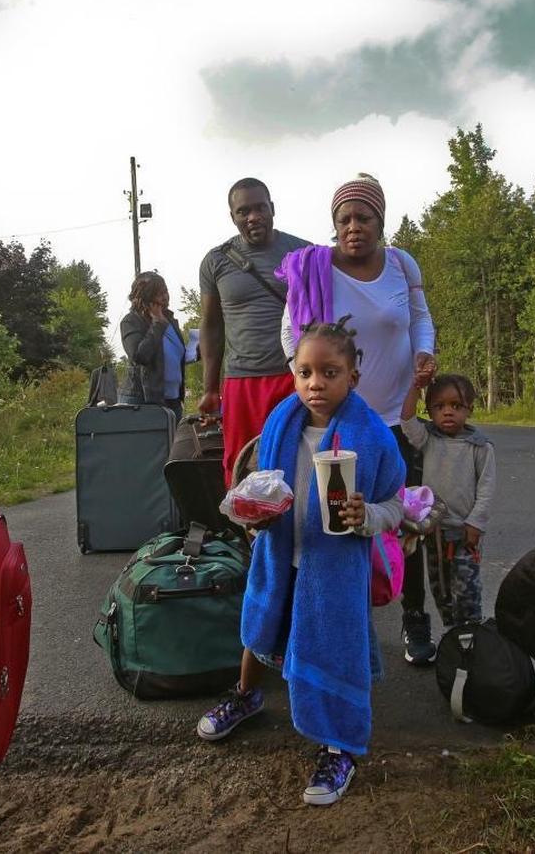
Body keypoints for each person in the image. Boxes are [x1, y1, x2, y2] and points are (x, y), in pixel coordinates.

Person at [196, 320, 404, 805]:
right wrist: (255, 517)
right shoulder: (280, 423)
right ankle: (247, 696)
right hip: (280, 555)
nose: (316, 383)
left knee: (332, 648)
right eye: (306, 372)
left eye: (330, 372)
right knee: (260, 630)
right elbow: (263, 484)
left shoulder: (372, 437)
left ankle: (340, 746)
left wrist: (366, 515)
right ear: (293, 374)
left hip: (333, 571)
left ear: (353, 376)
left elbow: (397, 503)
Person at [276, 173, 440, 665]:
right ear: (333, 225)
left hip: (393, 417)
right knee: (334, 523)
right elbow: (291, 334)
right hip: (337, 423)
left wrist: (425, 353)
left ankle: (415, 621)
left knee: (407, 518)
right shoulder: (314, 269)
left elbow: (419, 319)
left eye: (363, 218)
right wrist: (310, 387)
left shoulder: (401, 264)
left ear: (380, 221)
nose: (353, 227)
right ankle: (337, 625)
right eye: (343, 219)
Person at [198, 178, 309, 482]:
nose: (253, 217)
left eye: (260, 208)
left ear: (272, 208)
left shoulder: (303, 253)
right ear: (232, 216)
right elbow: (210, 326)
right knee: (242, 467)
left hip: (293, 378)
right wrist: (210, 389)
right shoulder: (215, 261)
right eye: (243, 211)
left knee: (297, 462)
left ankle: (297, 529)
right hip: (241, 381)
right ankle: (247, 530)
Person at [399, 373, 495, 627]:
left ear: (470, 409)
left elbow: (486, 489)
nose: (448, 412)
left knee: (467, 591)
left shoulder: (480, 447)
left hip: (464, 534)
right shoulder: (428, 439)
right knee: (440, 589)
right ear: (429, 411)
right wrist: (415, 386)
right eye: (439, 407)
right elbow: (407, 421)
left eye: (456, 406)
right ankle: (454, 640)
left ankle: (472, 636)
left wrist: (475, 524)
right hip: (435, 533)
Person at [118, 271, 186, 421]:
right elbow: (140, 356)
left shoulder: (170, 320)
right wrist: (157, 325)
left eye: (166, 291)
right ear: (147, 298)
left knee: (174, 444)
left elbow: (172, 356)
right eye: (159, 293)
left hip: (172, 399)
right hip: (144, 400)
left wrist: (199, 351)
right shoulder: (131, 321)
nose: (165, 297)